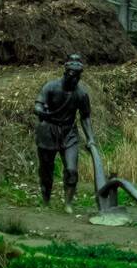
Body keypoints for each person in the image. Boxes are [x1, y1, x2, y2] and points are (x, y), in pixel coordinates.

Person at [34, 54, 96, 213]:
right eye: (72, 75)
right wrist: (42, 112)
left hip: (69, 133)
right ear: (65, 72)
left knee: (71, 169)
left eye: (78, 76)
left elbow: (85, 117)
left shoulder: (81, 94)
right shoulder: (51, 87)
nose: (75, 79)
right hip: (48, 130)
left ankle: (68, 202)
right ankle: (46, 199)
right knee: (46, 170)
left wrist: (91, 139)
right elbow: (38, 105)